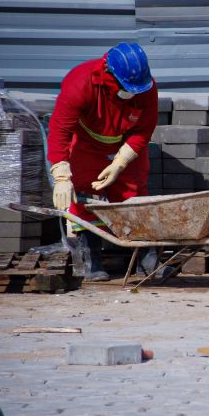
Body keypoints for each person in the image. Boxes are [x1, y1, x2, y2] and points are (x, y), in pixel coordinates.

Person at [47, 42, 158, 281]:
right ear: (109, 73)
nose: (134, 93)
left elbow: (144, 129)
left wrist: (120, 162)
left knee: (135, 193)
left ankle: (144, 258)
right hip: (87, 144)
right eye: (129, 88)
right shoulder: (81, 83)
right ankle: (92, 259)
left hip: (125, 145)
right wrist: (61, 176)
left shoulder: (145, 87)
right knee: (85, 196)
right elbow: (59, 131)